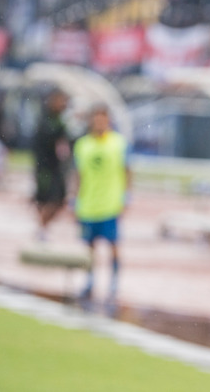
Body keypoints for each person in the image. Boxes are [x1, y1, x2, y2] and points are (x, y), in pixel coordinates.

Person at [72, 105, 131, 309]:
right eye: (96, 119)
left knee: (113, 246)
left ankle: (114, 284)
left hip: (110, 204)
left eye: (102, 119)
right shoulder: (82, 145)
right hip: (88, 204)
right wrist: (75, 199)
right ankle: (89, 281)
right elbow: (78, 174)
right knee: (89, 249)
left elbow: (127, 170)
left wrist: (126, 196)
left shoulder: (118, 143)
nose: (99, 123)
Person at [32, 89, 70, 241]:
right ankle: (42, 228)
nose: (63, 104)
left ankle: (43, 227)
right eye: (60, 101)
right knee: (47, 200)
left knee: (59, 200)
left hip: (56, 168)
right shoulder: (46, 120)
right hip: (45, 168)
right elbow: (49, 139)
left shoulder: (60, 120)